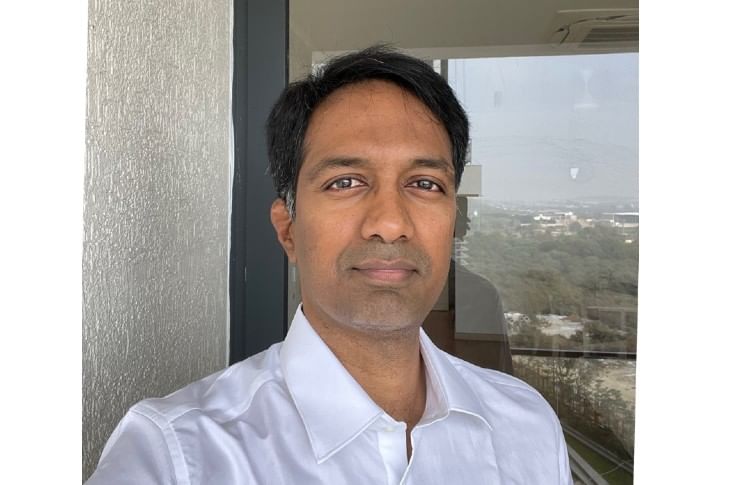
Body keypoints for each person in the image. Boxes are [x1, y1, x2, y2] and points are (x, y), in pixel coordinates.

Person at [86, 45, 572, 485]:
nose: (390, 224)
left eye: (425, 184)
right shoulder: (176, 456)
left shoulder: (525, 425)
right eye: (345, 182)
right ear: (288, 230)